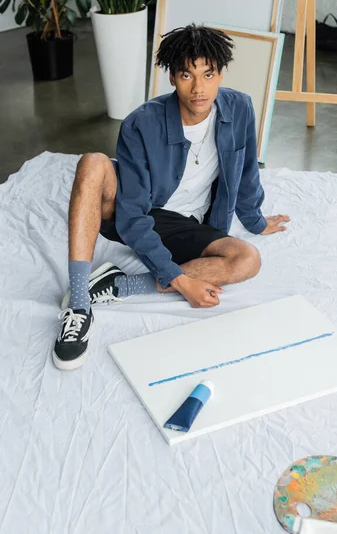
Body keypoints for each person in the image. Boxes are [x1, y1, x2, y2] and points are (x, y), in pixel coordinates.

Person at [53, 24, 290, 371]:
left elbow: (246, 171)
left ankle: (121, 285)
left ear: (221, 73)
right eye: (186, 75)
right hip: (140, 210)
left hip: (187, 225)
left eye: (208, 74)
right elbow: (133, 216)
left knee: (247, 260)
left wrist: (254, 219)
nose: (198, 88)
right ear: (172, 78)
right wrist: (182, 282)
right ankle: (78, 303)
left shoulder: (240, 108)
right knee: (93, 163)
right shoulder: (141, 123)